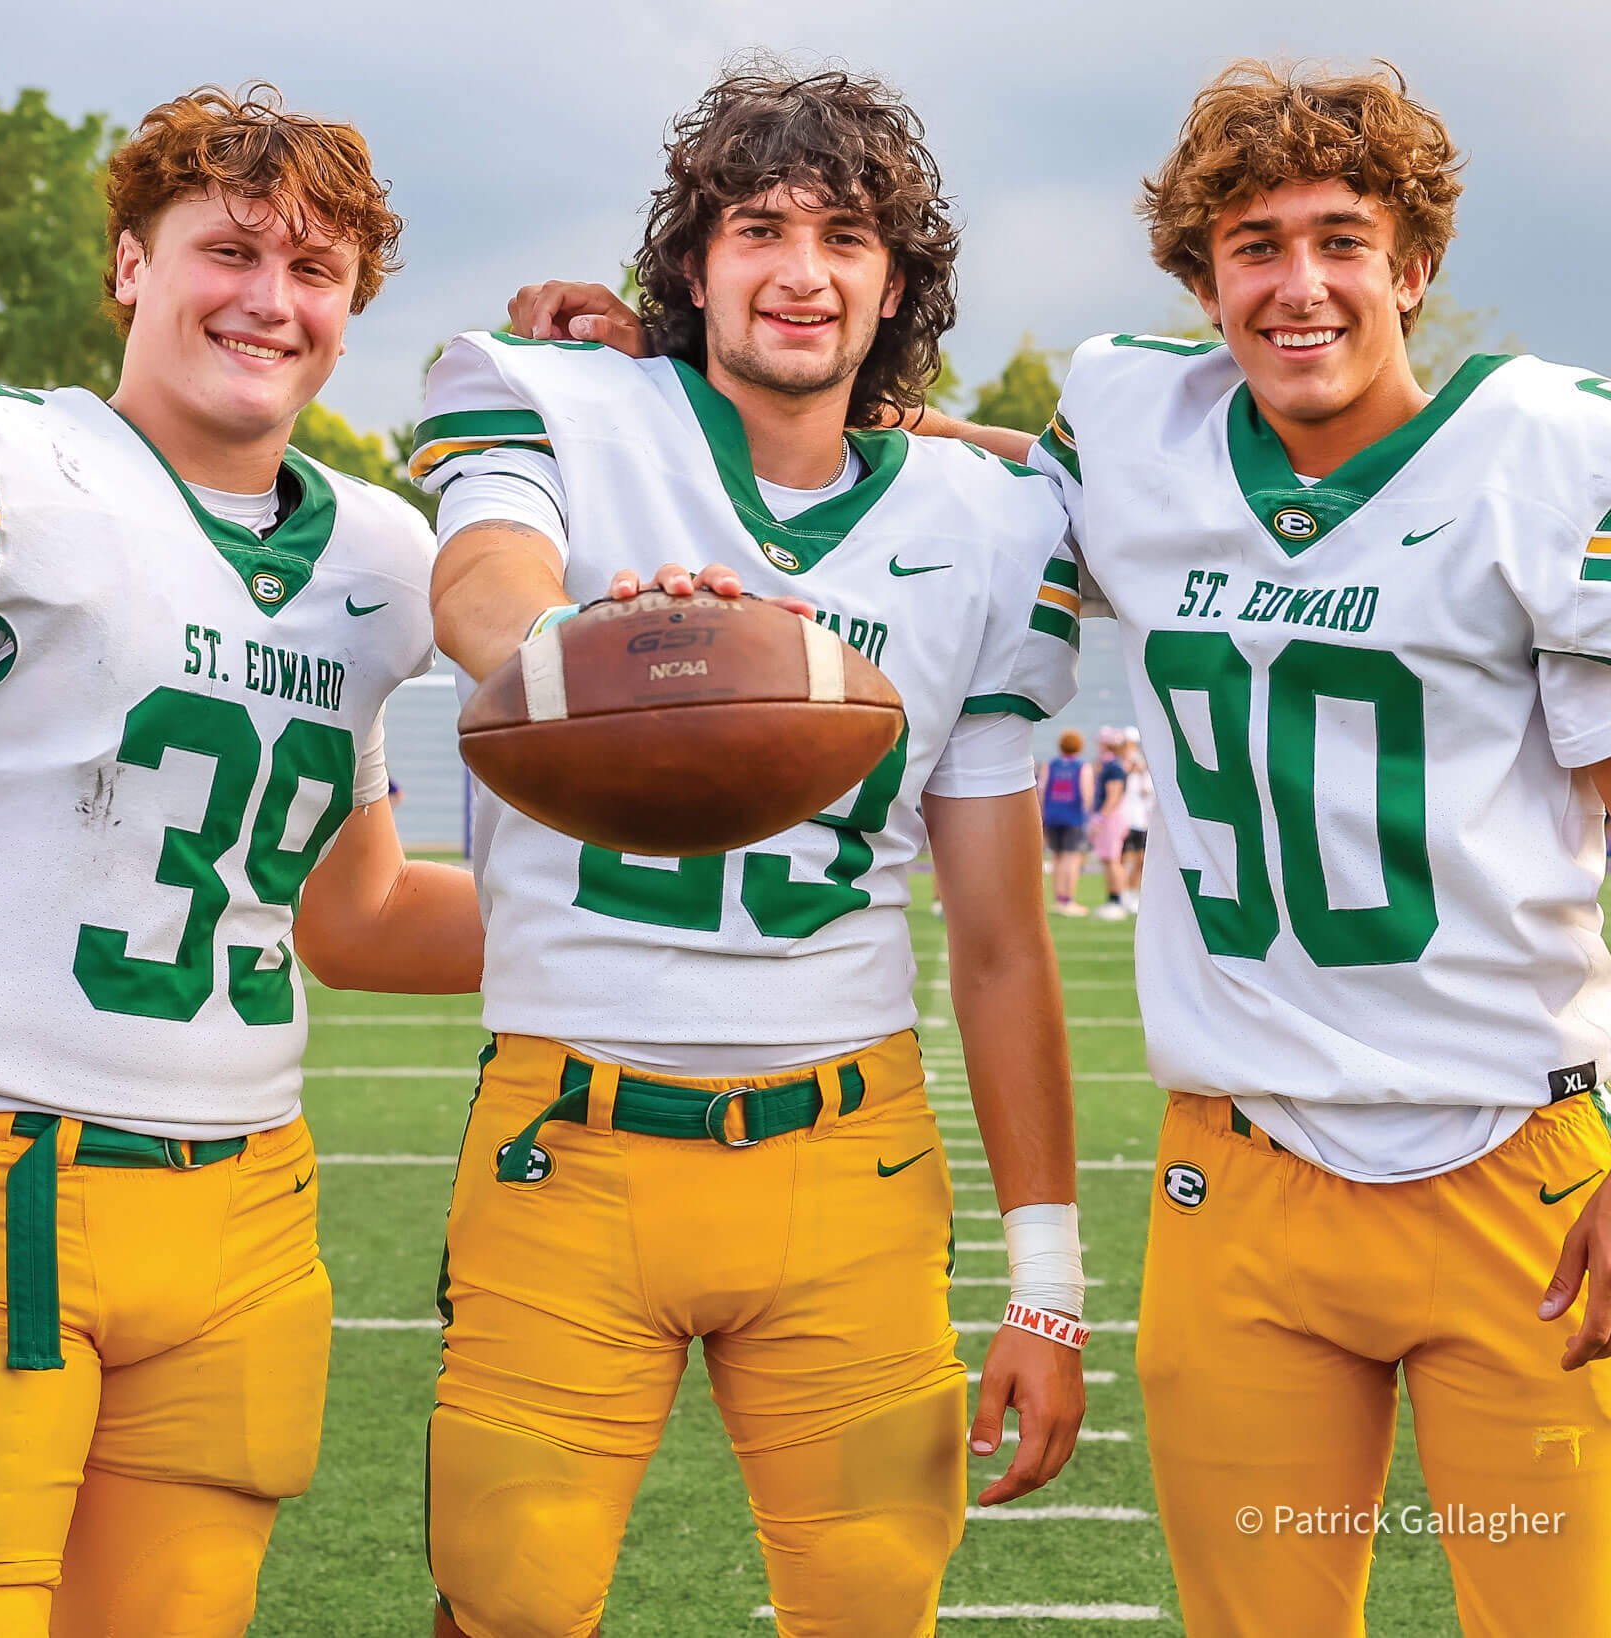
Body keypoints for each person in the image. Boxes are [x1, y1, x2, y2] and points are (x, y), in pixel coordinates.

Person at [995, 62, 1611, 1637]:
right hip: (1245, 1182)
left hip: (1515, 1181)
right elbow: (909, 460)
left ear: (1412, 266)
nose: (1300, 282)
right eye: (1254, 244)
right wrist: (670, 356)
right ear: (1205, 280)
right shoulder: (1140, 439)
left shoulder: (1547, 465)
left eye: (1343, 237)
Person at [0, 87, 483, 1638]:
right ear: (131, 265)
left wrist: (644, 916)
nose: (271, 300)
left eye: (317, 269)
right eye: (229, 251)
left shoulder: (378, 562)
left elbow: (354, 917)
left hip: (248, 1209)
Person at [417, 67, 1089, 1638]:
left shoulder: (987, 522)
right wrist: (578, 647)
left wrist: (1045, 1276)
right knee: (504, 1600)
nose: (802, 267)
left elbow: (997, 934)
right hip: (570, 1137)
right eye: (760, 228)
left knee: (871, 1605)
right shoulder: (559, 398)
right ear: (691, 263)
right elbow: (481, 580)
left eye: (847, 237)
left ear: (897, 279)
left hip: (850, 1156)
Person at [1039, 726, 1091, 914]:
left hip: (1052, 816)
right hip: (1073, 817)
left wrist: (1044, 815)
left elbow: (1041, 791)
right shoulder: (1082, 766)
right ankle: (1068, 900)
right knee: (1071, 858)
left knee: (1057, 857)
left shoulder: (1050, 765)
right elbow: (1086, 793)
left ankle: (1059, 898)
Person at [1088, 725, 1132, 918]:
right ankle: (1114, 899)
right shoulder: (1109, 765)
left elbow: (1113, 795)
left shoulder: (1114, 767)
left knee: (1112, 859)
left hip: (1111, 817)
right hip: (1110, 816)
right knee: (1108, 859)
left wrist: (1101, 816)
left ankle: (1118, 900)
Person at [1118, 725, 1152, 912]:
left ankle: (1133, 893)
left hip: (1142, 818)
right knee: (1124, 858)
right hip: (1126, 818)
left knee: (1140, 858)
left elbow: (1147, 792)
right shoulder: (1122, 764)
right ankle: (1122, 893)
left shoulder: (1145, 765)